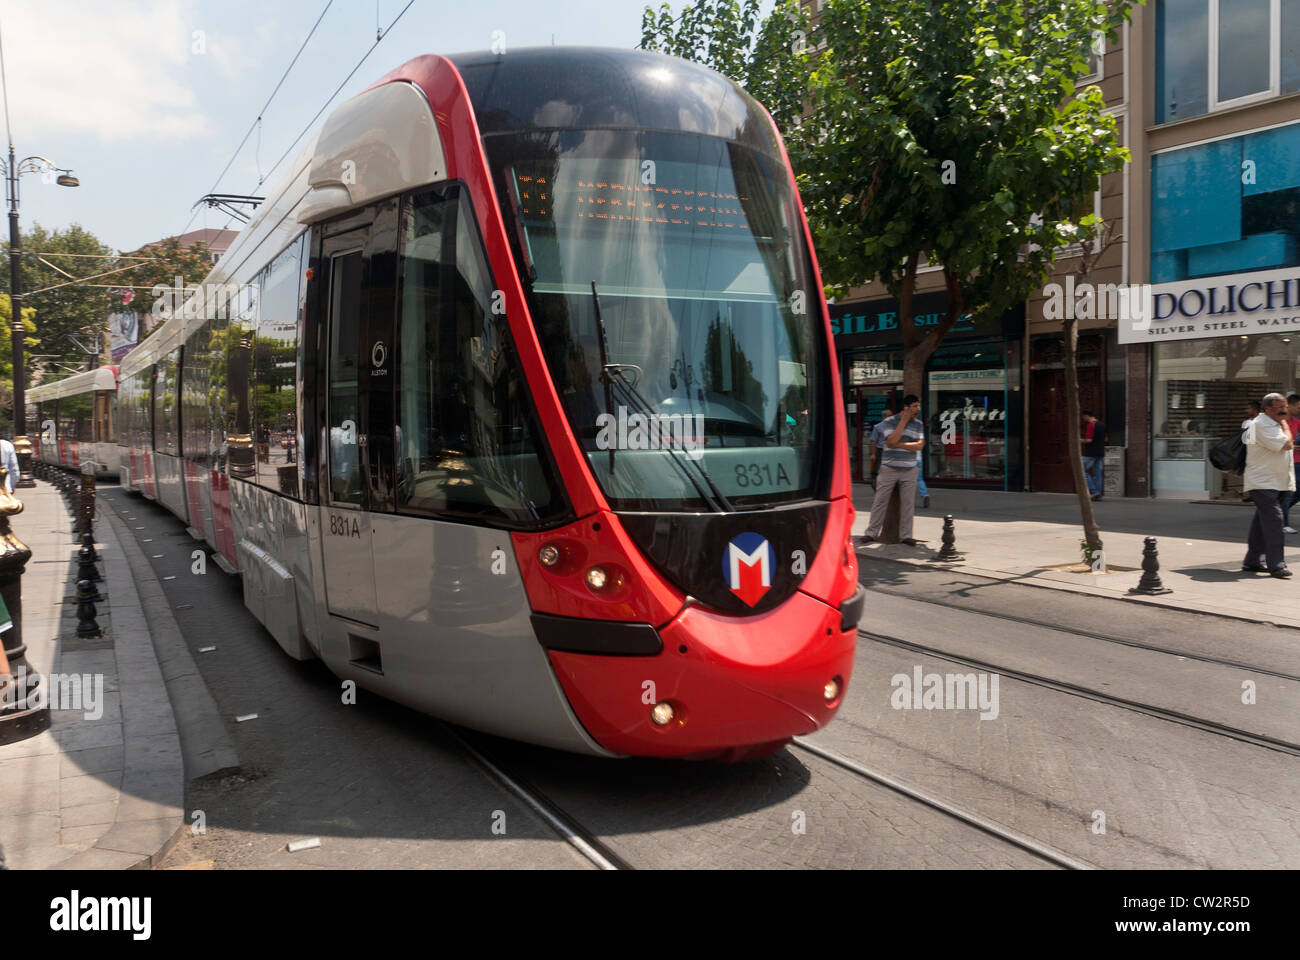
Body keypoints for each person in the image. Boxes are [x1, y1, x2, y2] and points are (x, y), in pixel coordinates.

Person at [1242, 392, 1296, 578]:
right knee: (1274, 521)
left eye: (1285, 407)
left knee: (1261, 523)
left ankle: (1252, 561)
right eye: (1279, 407)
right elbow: (1287, 445)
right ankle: (1277, 564)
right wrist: (1285, 426)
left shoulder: (1274, 423)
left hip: (1278, 481)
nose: (1284, 411)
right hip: (1263, 482)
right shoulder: (1261, 424)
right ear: (1267, 409)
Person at [861, 395, 925, 545]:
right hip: (889, 468)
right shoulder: (889, 422)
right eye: (915, 406)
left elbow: (920, 445)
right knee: (880, 501)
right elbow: (889, 442)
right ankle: (871, 533)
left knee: (908, 503)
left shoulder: (918, 424)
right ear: (906, 407)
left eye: (918, 406)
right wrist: (903, 422)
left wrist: (900, 444)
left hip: (909, 469)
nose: (918, 409)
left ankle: (906, 536)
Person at [1081, 410, 1107, 501]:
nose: (1083, 419)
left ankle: (1094, 491)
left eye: (1083, 417)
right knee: (1098, 474)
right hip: (1100, 453)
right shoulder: (1102, 425)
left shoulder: (1091, 425)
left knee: (1082, 471)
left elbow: (1089, 440)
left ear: (1087, 416)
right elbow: (1106, 438)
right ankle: (1098, 496)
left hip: (1090, 453)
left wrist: (1079, 440)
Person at [1284, 394, 1300, 534]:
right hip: (1287, 462)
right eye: (1297, 407)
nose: (1299, 409)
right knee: (1289, 493)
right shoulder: (1281, 422)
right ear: (1289, 405)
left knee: (1297, 492)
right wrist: (1293, 447)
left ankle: (1280, 511)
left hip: (1298, 461)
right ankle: (1284, 523)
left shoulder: (1296, 422)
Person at [868, 405, 894, 486]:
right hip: (881, 451)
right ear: (884, 416)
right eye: (889, 415)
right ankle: (876, 485)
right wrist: (873, 454)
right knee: (880, 469)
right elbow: (873, 441)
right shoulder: (878, 427)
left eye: (891, 415)